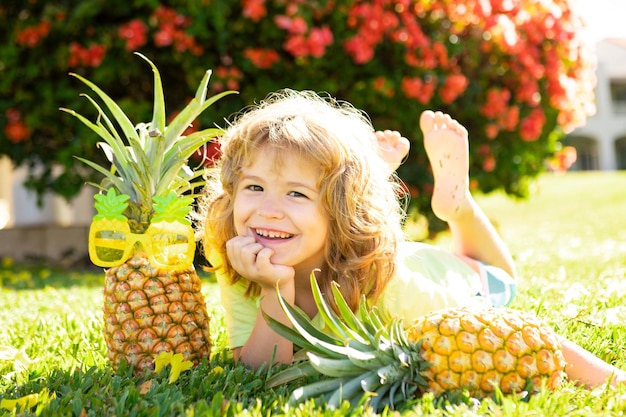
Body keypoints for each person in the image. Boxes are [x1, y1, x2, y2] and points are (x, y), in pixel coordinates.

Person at [198, 89, 625, 387]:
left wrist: (609, 380)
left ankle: (456, 207)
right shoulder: (238, 257)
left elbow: (510, 331)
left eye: (296, 192)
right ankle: (366, 178)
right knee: (354, 225)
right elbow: (253, 370)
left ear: (337, 211)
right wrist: (277, 289)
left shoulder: (393, 290)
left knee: (503, 277)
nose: (267, 209)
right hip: (362, 241)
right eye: (253, 187)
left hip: (454, 277)